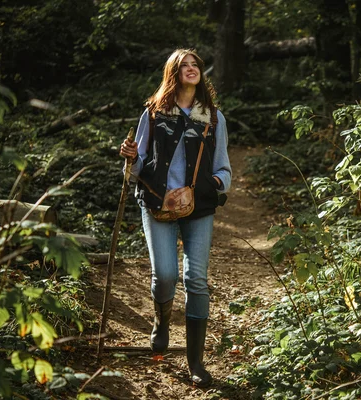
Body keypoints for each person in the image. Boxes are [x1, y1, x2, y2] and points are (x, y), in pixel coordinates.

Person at [119, 48, 231, 387]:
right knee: (165, 274)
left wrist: (204, 188)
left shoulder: (213, 117)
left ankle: (195, 362)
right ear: (173, 72)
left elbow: (223, 170)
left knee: (196, 278)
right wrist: (129, 157)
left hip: (198, 208)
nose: (192, 68)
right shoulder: (154, 114)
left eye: (195, 64)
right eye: (184, 65)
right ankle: (162, 321)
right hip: (156, 203)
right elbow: (136, 168)